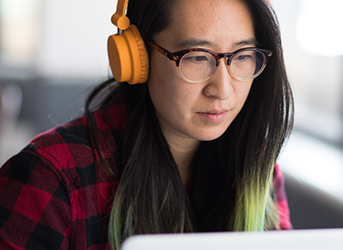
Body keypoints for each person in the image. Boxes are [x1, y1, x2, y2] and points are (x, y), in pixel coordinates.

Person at [0, 0, 294, 249]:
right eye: (196, 58)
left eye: (242, 56)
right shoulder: (49, 179)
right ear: (137, 57)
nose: (223, 89)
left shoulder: (257, 163)